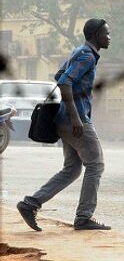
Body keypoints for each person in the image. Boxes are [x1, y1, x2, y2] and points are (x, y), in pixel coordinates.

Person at [17, 19, 111, 231]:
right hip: (75, 122)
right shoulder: (86, 55)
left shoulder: (79, 51)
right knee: (96, 165)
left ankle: (30, 203)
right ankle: (84, 217)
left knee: (72, 169)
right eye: (106, 33)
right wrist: (76, 116)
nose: (109, 37)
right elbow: (64, 81)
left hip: (64, 119)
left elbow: (60, 74)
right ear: (96, 35)